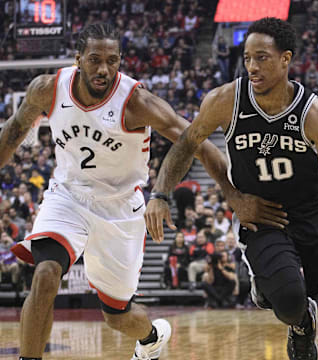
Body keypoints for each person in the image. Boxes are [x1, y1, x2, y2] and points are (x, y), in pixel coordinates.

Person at [0, 23, 287, 360]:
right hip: (69, 196)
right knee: (46, 273)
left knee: (117, 316)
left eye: (112, 61)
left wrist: (233, 195)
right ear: (78, 59)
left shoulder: (137, 102)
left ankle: (151, 337)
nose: (103, 69)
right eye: (94, 60)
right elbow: (17, 128)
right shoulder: (47, 89)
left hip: (120, 209)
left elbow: (196, 141)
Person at [145, 17, 318, 360]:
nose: (251, 66)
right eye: (247, 58)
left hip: (317, 215)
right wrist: (162, 194)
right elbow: (189, 143)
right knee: (289, 301)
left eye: (261, 57)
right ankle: (301, 323)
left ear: (286, 59)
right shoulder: (225, 100)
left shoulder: (314, 113)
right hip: (263, 218)